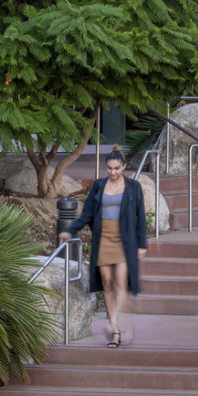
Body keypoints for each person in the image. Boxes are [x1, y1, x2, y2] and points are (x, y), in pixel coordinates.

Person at [58, 146, 147, 348]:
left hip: (125, 240)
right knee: (107, 284)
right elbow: (87, 214)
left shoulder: (133, 187)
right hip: (104, 238)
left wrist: (142, 245)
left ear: (124, 166)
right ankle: (115, 329)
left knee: (121, 284)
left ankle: (126, 324)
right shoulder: (99, 186)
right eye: (109, 168)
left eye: (117, 168)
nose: (113, 172)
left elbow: (140, 217)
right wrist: (70, 230)